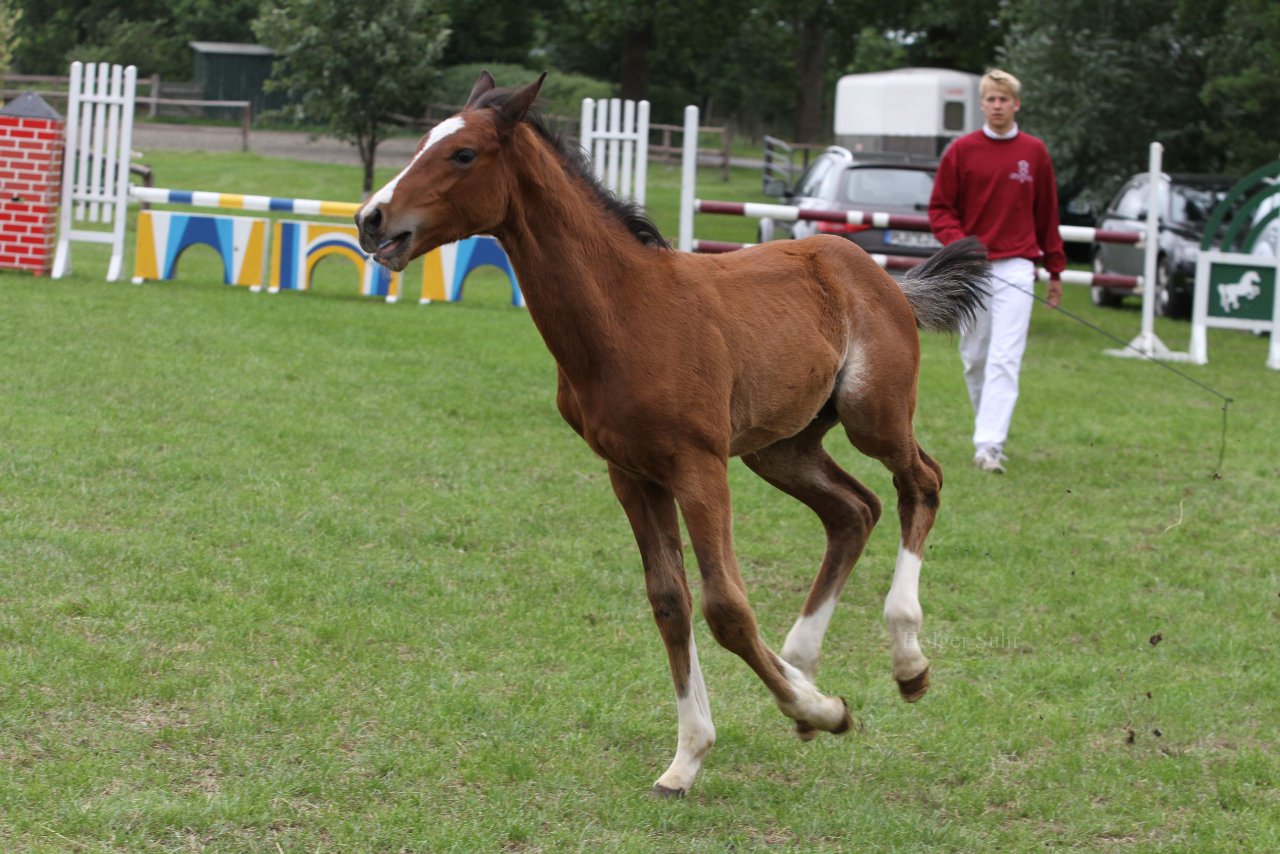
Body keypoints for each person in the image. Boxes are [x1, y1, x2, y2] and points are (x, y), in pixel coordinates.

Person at [928, 68, 1066, 474]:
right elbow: (940, 209)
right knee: (975, 357)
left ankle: (989, 444)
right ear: (983, 104)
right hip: (973, 268)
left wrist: (1054, 268)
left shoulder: (1034, 153)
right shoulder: (961, 151)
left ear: (1016, 104)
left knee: (1006, 357)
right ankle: (986, 427)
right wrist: (963, 247)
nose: (997, 105)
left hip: (1019, 267)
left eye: (1004, 99)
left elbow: (1048, 214)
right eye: (990, 99)